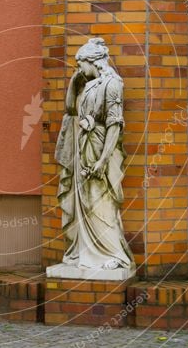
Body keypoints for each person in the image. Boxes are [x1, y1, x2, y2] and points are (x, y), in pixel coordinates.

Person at [54, 37, 135, 271]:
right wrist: (75, 80)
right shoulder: (89, 83)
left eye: (81, 65)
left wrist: (102, 160)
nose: (79, 69)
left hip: (99, 149)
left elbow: (115, 125)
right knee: (85, 201)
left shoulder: (112, 83)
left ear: (92, 61)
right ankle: (86, 251)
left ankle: (114, 253)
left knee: (100, 201)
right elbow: (70, 109)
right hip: (83, 149)